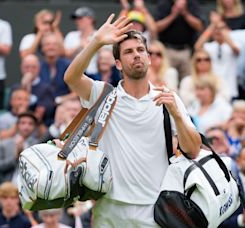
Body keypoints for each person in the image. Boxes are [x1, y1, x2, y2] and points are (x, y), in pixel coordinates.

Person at [63, 14, 201, 226]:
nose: (136, 55)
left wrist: (177, 115)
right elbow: (71, 78)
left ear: (148, 57)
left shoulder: (168, 98)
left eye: (140, 50)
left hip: (154, 209)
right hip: (108, 208)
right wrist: (96, 42)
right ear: (118, 63)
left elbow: (193, 150)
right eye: (128, 52)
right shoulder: (103, 94)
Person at [154, 0, 204, 81]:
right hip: (167, 50)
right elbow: (156, 28)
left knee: (187, 80)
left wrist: (185, 13)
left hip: (186, 51)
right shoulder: (164, 3)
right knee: (168, 79)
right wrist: (173, 14)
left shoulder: (191, 3)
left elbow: (199, 26)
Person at [195, 19, 240, 99]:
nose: (218, 31)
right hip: (214, 88)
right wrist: (212, 26)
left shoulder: (234, 44)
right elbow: (197, 47)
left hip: (230, 88)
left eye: (221, 28)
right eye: (216, 29)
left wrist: (221, 28)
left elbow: (235, 49)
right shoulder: (209, 46)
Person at [0, 112, 39, 184]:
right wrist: (15, 158)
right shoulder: (5, 144)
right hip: (8, 186)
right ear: (17, 125)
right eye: (23, 123)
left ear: (35, 127)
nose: (26, 127)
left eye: (30, 124)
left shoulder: (38, 145)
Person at [15, 54, 56, 126]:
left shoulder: (46, 88)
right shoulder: (15, 88)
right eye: (27, 67)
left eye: (33, 67)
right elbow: (11, 108)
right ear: (21, 68)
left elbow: (44, 112)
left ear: (39, 68)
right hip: (16, 122)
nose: (30, 70)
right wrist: (24, 86)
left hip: (39, 125)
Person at [39, 33, 74, 103]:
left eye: (54, 44)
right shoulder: (38, 66)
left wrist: (60, 100)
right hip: (42, 105)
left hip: (64, 105)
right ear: (42, 48)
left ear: (59, 48)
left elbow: (76, 94)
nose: (51, 47)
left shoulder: (68, 65)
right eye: (47, 44)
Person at [64, 6, 97, 74]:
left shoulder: (99, 35)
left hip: (95, 74)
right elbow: (64, 55)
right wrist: (80, 45)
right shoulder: (71, 35)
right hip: (74, 74)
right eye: (76, 19)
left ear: (90, 19)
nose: (77, 21)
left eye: (80, 18)